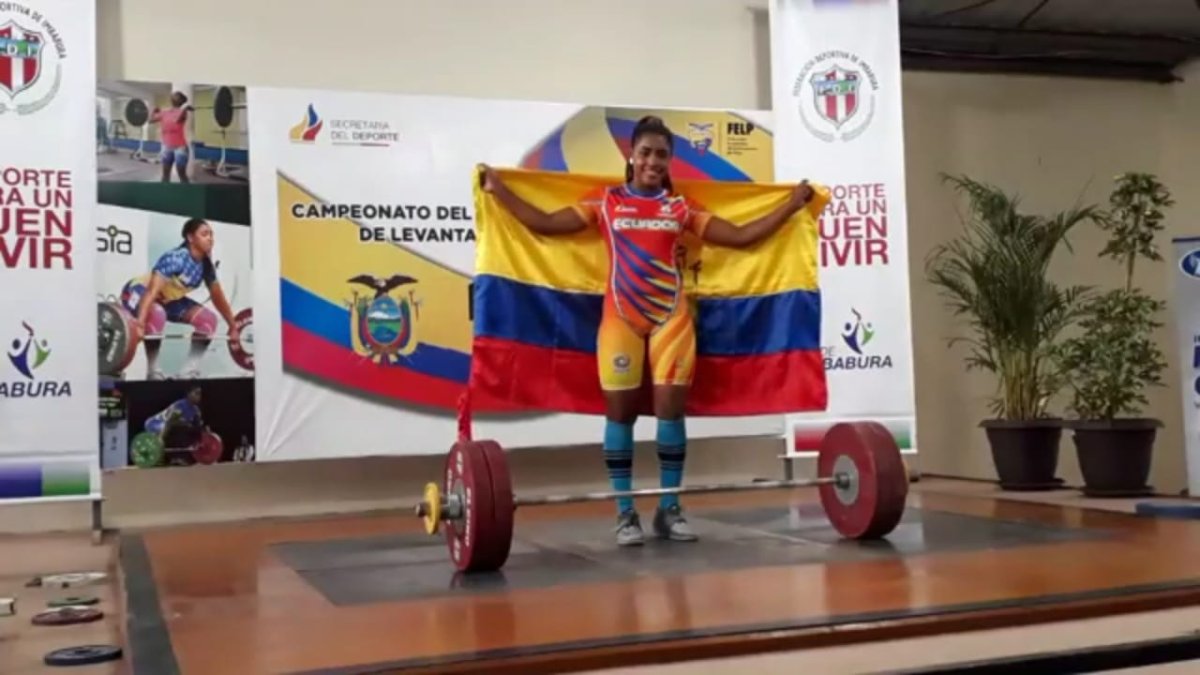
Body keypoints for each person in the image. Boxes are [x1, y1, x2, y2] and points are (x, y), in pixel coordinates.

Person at [481, 115, 815, 547]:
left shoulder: (682, 208)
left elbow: (740, 237)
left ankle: (669, 508)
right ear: (631, 156)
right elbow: (545, 224)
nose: (652, 161)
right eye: (645, 153)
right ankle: (625, 515)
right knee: (620, 414)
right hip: (620, 319)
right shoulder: (605, 202)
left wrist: (792, 204)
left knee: (670, 412)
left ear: (670, 160)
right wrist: (499, 190)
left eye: (661, 154)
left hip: (671, 320)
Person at [120, 218, 240, 380]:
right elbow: (151, 291)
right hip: (138, 292)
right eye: (205, 234)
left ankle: (188, 371)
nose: (210, 238)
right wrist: (140, 324)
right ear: (190, 238)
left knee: (208, 320)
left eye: (211, 234)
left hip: (167, 300)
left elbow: (218, 298)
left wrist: (233, 326)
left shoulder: (206, 266)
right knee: (157, 313)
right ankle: (153, 371)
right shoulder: (175, 258)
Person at [149, 91, 193, 183]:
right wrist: (153, 111)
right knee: (165, 175)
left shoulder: (183, 112)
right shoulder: (164, 112)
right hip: (166, 147)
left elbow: (176, 120)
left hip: (180, 147)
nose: (174, 96)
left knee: (181, 174)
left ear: (181, 101)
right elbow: (150, 120)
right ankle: (164, 193)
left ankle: (187, 193)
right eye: (174, 95)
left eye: (177, 96)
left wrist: (184, 109)